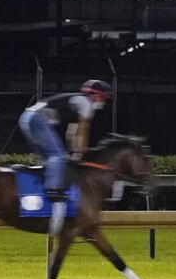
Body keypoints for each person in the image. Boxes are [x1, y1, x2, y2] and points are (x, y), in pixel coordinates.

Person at [18, 79, 113, 235]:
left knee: (51, 160)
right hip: (36, 120)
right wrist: (80, 154)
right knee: (57, 156)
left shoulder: (76, 101)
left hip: (26, 118)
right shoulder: (86, 104)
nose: (103, 102)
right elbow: (83, 131)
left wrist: (74, 152)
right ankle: (54, 191)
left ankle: (42, 187)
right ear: (95, 95)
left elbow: (71, 133)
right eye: (103, 98)